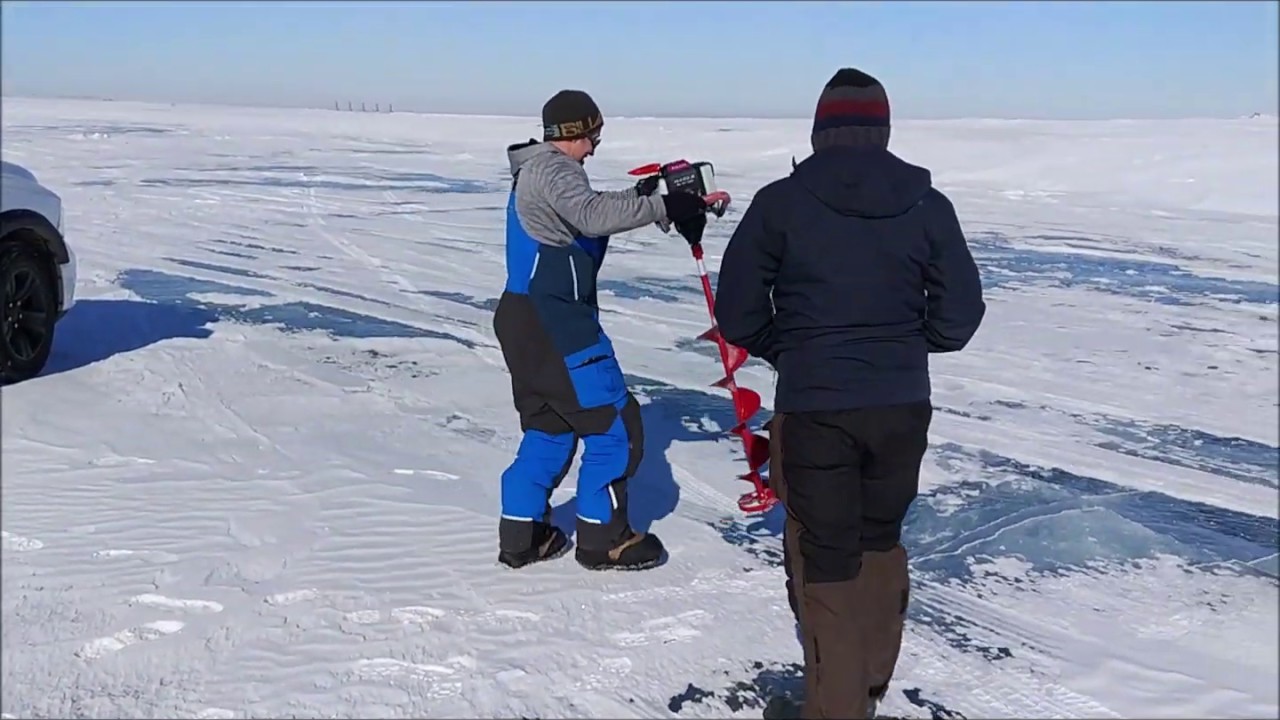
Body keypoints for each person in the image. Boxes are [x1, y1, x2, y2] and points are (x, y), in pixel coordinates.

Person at [713, 68, 986, 718]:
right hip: (900, 408)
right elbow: (961, 314)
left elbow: (738, 313)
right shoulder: (927, 205)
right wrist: (903, 349)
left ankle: (840, 705)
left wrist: (795, 350)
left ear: (820, 130)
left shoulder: (780, 203)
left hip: (816, 408)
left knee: (828, 554)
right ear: (885, 130)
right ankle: (862, 686)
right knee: (879, 540)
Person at [494, 89, 713, 572]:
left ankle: (522, 535)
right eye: (593, 135)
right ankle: (604, 539)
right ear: (574, 132)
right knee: (614, 426)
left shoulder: (536, 171)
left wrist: (644, 198)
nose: (595, 146)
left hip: (524, 319)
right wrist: (664, 207)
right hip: (556, 322)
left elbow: (586, 211)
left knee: (549, 428)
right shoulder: (553, 169)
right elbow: (592, 216)